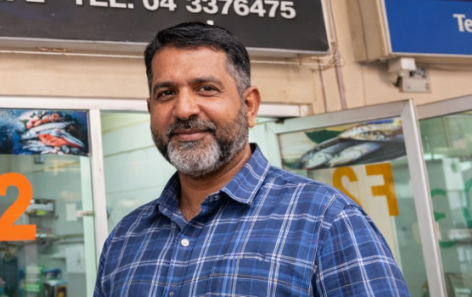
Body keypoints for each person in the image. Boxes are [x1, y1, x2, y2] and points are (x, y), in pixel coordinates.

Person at [94, 22, 410, 297]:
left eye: (206, 88)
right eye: (166, 93)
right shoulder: (125, 238)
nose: (184, 109)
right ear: (151, 109)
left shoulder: (325, 219)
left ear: (249, 106)